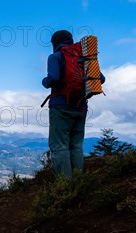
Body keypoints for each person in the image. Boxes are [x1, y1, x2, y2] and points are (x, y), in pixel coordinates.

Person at [42, 30, 105, 178]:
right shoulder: (86, 58)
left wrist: (44, 81)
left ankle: (66, 186)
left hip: (61, 107)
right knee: (76, 146)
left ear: (54, 43)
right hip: (81, 107)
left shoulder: (55, 57)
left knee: (59, 146)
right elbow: (101, 79)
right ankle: (79, 181)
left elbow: (53, 78)